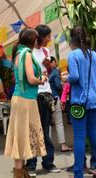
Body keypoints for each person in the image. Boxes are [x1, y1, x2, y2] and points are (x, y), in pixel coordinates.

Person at [61, 26, 96, 178]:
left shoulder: (73, 55)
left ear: (72, 40)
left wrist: (66, 77)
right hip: (95, 99)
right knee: (93, 133)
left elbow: (75, 77)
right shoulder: (94, 55)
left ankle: (78, 173)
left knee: (78, 136)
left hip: (79, 101)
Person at [4, 28, 47, 178]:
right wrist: (41, 80)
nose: (37, 42)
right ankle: (19, 173)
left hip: (20, 98)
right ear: (32, 40)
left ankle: (20, 171)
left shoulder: (18, 53)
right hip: (26, 99)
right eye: (36, 39)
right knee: (24, 134)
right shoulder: (27, 54)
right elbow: (31, 79)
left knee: (20, 134)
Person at [26, 25, 60, 176]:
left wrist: (49, 68)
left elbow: (48, 72)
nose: (49, 39)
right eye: (48, 37)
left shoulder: (46, 51)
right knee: (34, 129)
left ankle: (48, 162)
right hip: (34, 94)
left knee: (46, 129)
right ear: (40, 36)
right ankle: (31, 164)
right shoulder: (28, 52)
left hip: (46, 93)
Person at [48, 57, 73, 152]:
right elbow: (58, 85)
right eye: (54, 62)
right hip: (54, 97)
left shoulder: (43, 72)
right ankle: (63, 145)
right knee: (58, 122)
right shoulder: (55, 72)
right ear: (51, 63)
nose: (56, 63)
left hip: (44, 98)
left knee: (47, 122)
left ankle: (47, 144)